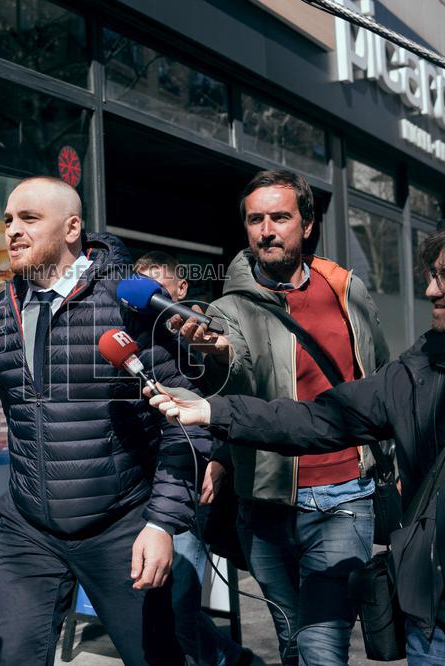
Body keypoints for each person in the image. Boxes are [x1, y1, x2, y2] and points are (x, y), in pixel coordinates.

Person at [149, 218, 445, 665]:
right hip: (437, 633)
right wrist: (214, 411)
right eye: (432, 276)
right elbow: (321, 419)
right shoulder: (422, 368)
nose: (432, 290)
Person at [0, 176, 210, 665]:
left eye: (29, 218)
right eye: (8, 220)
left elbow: (185, 422)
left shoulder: (129, 303)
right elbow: (22, 420)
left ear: (72, 228)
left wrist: (162, 523)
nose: (13, 230)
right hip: (28, 527)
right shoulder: (0, 312)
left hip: (119, 524)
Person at [172, 170, 389, 665]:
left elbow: (380, 374)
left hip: (344, 497)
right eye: (256, 220)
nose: (267, 230)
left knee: (321, 648)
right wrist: (218, 353)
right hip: (265, 503)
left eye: (280, 217)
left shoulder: (347, 289)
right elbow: (237, 365)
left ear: (306, 225)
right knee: (291, 641)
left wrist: (391, 457)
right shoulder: (228, 308)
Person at [134, 251, 254, 666]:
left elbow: (235, 395)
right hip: (149, 486)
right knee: (161, 605)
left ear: (181, 289)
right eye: (141, 288)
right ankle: (231, 657)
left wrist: (222, 457)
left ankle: (226, 659)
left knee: (180, 604)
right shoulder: (137, 335)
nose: (148, 298)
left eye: (158, 288)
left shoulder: (201, 330)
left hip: (193, 483)